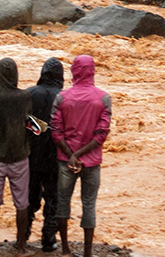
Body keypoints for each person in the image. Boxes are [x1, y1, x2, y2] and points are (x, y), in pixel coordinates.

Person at [51, 56, 111, 257]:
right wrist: (80, 154)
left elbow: (55, 131)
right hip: (91, 160)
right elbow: (102, 133)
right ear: (92, 71)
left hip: (65, 159)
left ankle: (66, 249)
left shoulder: (62, 97)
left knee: (63, 202)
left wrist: (71, 155)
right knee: (89, 204)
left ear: (74, 71)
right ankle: (87, 252)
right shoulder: (103, 98)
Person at [0, 57, 33, 256]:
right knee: (21, 203)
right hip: (20, 156)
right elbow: (31, 122)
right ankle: (21, 247)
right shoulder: (26, 97)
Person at [26, 58, 64, 252]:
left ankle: (22, 236)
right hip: (56, 156)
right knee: (53, 199)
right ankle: (49, 240)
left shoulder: (30, 94)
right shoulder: (64, 96)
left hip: (32, 155)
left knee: (29, 198)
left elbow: (23, 124)